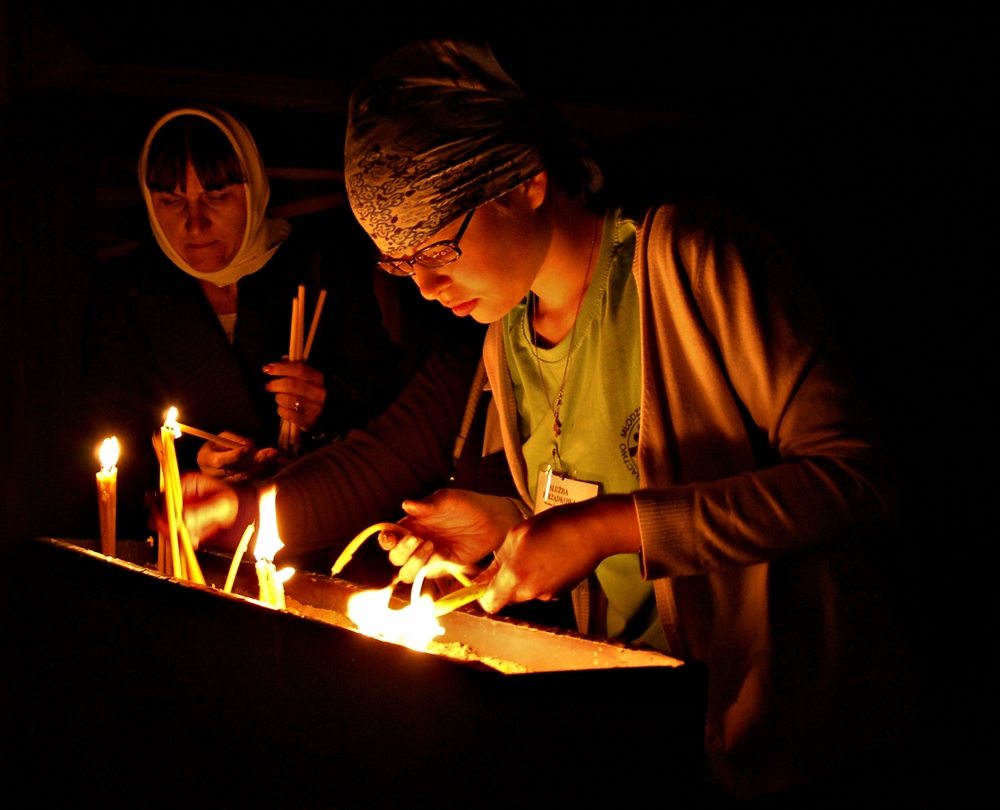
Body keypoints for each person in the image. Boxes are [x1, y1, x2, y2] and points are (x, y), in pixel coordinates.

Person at [182, 41, 915, 799]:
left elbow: (857, 481)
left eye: (436, 247)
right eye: (400, 264)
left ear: (525, 183)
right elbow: (597, 497)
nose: (428, 286)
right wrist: (506, 528)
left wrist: (602, 528)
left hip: (798, 746)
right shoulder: (508, 338)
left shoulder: (691, 262)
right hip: (655, 738)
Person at [83, 107, 403, 538]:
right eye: (172, 201)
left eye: (217, 196)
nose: (195, 224)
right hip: (192, 536)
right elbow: (111, 435)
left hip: (316, 527)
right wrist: (196, 460)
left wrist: (325, 408)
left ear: (252, 190)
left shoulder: (318, 263)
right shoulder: (128, 291)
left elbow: (388, 405)